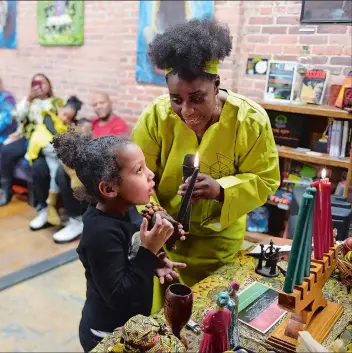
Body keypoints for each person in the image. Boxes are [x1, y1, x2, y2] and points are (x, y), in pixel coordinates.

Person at [132, 18, 280, 312]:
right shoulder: (156, 118)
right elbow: (136, 177)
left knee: (215, 315)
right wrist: (158, 214)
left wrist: (221, 189)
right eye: (176, 99)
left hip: (218, 246)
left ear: (216, 84)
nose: (186, 111)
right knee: (167, 320)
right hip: (166, 242)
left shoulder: (249, 121)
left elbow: (266, 180)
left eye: (197, 98)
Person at [53, 132, 186, 352]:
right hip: (107, 334)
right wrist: (148, 252)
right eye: (139, 170)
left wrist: (154, 260)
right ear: (109, 189)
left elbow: (129, 258)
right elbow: (120, 297)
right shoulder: (100, 234)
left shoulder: (128, 210)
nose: (151, 175)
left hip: (133, 324)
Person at [51, 93, 129, 243]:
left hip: (105, 170)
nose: (99, 106)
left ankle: (79, 220)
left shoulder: (118, 125)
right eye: (95, 104)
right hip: (87, 165)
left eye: (102, 102)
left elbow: (117, 155)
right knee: (61, 171)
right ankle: (75, 219)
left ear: (110, 103)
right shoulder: (91, 123)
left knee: (71, 173)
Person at [0, 73, 61, 207]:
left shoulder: (56, 102)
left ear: (49, 85)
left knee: (39, 164)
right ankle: (6, 190)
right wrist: (28, 99)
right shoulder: (28, 101)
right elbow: (17, 117)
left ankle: (40, 200)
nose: (39, 86)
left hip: (43, 142)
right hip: (27, 138)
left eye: (42, 83)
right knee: (6, 151)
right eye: (35, 84)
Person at [28, 95, 83, 229]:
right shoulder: (49, 116)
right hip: (41, 146)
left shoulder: (69, 126)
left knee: (54, 171)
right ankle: (43, 209)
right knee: (54, 158)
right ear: (60, 108)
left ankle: (49, 206)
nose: (64, 119)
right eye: (64, 114)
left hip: (52, 154)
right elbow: (54, 134)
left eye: (68, 118)